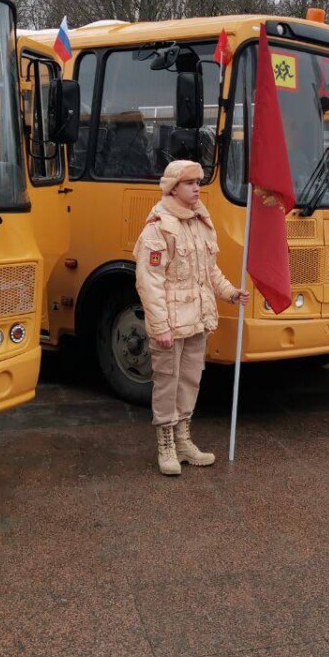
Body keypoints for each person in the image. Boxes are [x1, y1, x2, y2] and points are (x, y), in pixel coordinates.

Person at [133, 159, 249, 476]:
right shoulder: (158, 227)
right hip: (171, 323)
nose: (197, 187)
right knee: (167, 384)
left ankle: (184, 440)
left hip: (197, 319)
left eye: (198, 181)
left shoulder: (199, 223)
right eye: (189, 182)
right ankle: (165, 445)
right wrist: (160, 328)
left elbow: (209, 270)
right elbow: (149, 281)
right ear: (173, 187)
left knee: (189, 381)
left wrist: (229, 293)